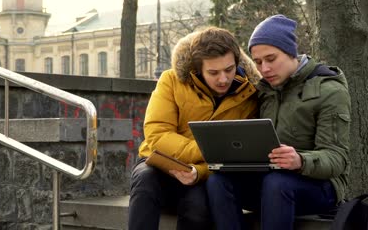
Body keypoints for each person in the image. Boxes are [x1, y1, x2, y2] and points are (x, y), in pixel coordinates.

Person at [206, 14, 351, 230]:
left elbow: (337, 158)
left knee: (277, 184)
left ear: (291, 52)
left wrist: (300, 160)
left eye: (271, 59)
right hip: (270, 179)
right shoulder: (265, 90)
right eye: (258, 62)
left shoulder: (329, 90)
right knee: (218, 182)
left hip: (320, 186)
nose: (264, 69)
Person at [128, 27, 260, 230]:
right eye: (213, 72)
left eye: (229, 69)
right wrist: (208, 150)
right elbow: (157, 134)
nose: (223, 79)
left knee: (197, 207)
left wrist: (198, 171)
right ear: (198, 68)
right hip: (159, 163)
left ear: (237, 62)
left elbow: (239, 153)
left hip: (203, 173)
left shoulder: (249, 94)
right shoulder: (171, 80)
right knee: (145, 182)